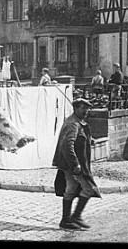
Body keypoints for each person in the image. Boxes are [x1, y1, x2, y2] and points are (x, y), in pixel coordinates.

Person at [52, 97, 101, 230]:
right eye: (83, 108)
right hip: (72, 165)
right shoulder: (73, 124)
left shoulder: (78, 122)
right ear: (76, 109)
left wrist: (89, 140)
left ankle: (67, 219)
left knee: (71, 189)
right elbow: (68, 145)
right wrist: (75, 165)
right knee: (89, 188)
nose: (86, 111)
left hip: (71, 164)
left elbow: (78, 138)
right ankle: (74, 217)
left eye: (87, 108)